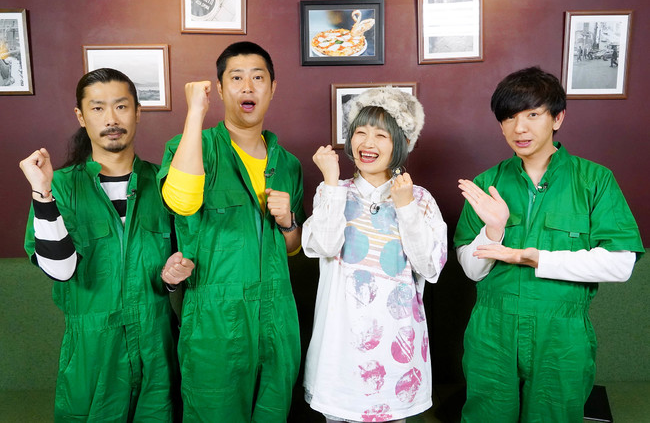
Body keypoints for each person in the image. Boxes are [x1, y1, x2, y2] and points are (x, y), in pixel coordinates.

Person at [454, 66, 644, 423]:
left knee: (554, 415)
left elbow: (621, 264)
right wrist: (493, 229)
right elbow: (472, 270)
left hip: (561, 334)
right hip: (492, 331)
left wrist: (536, 258)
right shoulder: (486, 183)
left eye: (532, 115)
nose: (519, 128)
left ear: (557, 118)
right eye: (509, 118)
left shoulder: (594, 180)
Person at [20, 68, 194, 422]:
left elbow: (171, 268)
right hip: (92, 349)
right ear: (81, 116)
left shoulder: (164, 183)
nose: (111, 119)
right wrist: (42, 193)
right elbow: (60, 270)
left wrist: (172, 277)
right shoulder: (59, 186)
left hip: (157, 344)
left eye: (121, 106)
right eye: (98, 108)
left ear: (138, 112)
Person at [158, 41, 306, 422]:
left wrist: (288, 223)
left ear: (272, 88)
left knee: (274, 413)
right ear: (221, 89)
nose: (248, 87)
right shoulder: (195, 147)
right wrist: (195, 113)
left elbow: (292, 248)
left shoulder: (288, 164)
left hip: (278, 315)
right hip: (216, 319)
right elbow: (181, 201)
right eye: (236, 78)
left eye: (258, 78)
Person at [302, 87, 448, 423]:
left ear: (402, 143)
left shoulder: (420, 199)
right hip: (339, 351)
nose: (368, 143)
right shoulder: (333, 191)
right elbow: (324, 245)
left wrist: (406, 207)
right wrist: (331, 182)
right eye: (361, 132)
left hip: (396, 354)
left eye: (381, 135)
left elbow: (430, 267)